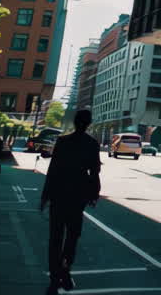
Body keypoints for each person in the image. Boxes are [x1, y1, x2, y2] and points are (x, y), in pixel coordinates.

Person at [40, 109, 101, 294]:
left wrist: (45, 196)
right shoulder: (92, 144)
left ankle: (54, 275)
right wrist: (94, 194)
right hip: (78, 196)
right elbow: (95, 172)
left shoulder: (63, 141)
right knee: (73, 235)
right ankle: (66, 268)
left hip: (59, 194)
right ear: (88, 123)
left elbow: (53, 170)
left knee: (55, 236)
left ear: (75, 122)